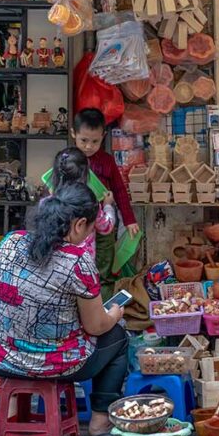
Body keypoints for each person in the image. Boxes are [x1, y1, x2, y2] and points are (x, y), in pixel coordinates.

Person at [0, 183, 128, 436]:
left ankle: (14, 410)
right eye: (91, 228)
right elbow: (95, 326)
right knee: (118, 337)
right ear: (79, 224)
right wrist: (114, 314)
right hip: (56, 362)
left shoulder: (9, 241)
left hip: (0, 356)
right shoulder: (77, 261)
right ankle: (100, 421)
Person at [71, 108, 139, 298]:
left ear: (103, 136)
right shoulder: (68, 160)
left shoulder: (107, 161)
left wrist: (129, 220)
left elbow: (119, 190)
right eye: (83, 140)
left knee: (104, 266)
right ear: (73, 134)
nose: (88, 146)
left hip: (104, 226)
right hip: (75, 227)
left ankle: (104, 307)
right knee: (76, 269)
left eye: (95, 141)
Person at [47, 147, 116, 257]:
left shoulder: (49, 202)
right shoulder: (88, 201)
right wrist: (108, 205)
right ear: (85, 174)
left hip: (54, 263)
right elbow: (105, 227)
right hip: (81, 263)